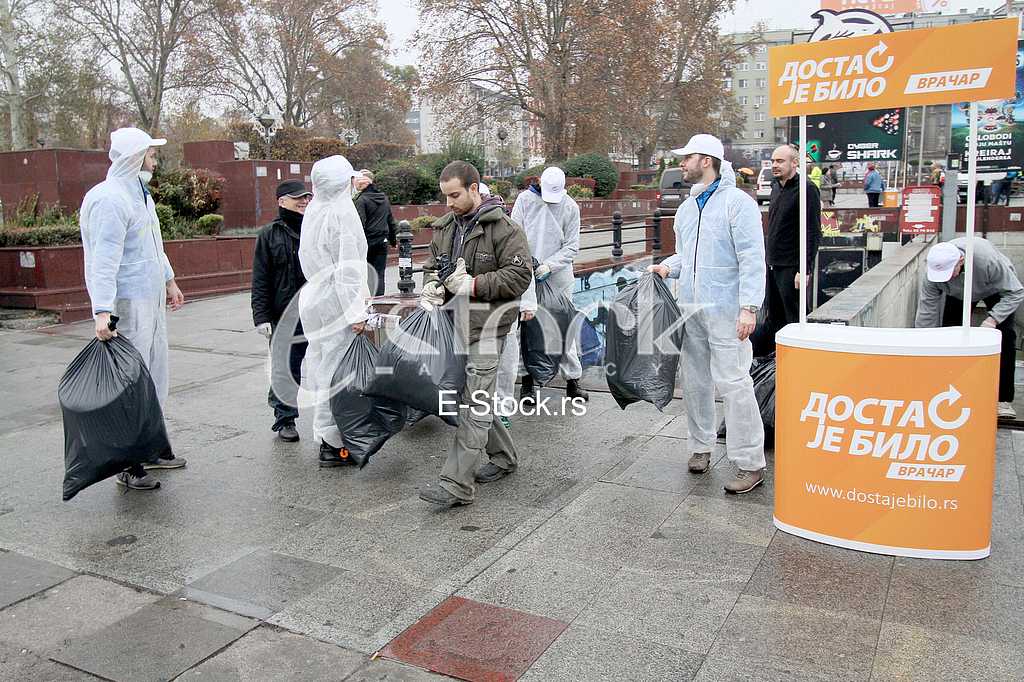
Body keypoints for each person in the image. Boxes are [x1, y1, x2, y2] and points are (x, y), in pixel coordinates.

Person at [647, 134, 767, 494]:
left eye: (687, 158)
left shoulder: (737, 204)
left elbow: (751, 258)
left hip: (728, 311)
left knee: (734, 383)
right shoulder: (687, 208)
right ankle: (701, 447)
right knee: (696, 382)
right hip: (692, 308)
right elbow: (687, 256)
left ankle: (751, 463)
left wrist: (749, 308)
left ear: (707, 160)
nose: (681, 164)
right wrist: (667, 267)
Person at [418, 161, 533, 508]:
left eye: (454, 195)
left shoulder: (505, 229)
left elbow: (520, 276)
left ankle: (456, 485)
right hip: (454, 326)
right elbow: (431, 265)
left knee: (474, 405)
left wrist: (475, 284)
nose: (448, 203)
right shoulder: (444, 228)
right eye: (445, 197)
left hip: (488, 327)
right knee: (472, 398)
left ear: (473, 189)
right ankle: (504, 457)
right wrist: (432, 286)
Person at [80, 127, 187, 490]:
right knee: (128, 383)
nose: (155, 162)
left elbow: (155, 245)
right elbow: (103, 261)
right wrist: (102, 310)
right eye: (150, 155)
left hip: (150, 298)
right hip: (127, 303)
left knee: (154, 373)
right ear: (134, 157)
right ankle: (127, 462)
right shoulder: (110, 199)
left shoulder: (140, 196)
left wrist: (169, 280)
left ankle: (151, 446)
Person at [495, 167, 587, 426]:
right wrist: (528, 264)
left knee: (563, 328)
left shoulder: (570, 207)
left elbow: (572, 246)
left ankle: (572, 380)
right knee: (527, 328)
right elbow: (516, 235)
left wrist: (549, 265)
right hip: (526, 272)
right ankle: (527, 383)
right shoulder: (525, 201)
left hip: (556, 276)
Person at [298, 156, 370, 467]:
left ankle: (329, 437)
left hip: (316, 295)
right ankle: (334, 444)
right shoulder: (342, 211)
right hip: (335, 300)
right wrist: (356, 311)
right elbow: (349, 269)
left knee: (324, 365)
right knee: (337, 372)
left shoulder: (315, 209)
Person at [916, 239, 1024, 419]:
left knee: (1004, 338)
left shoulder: (987, 261)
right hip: (958, 293)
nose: (946, 278)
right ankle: (950, 389)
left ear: (961, 261)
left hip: (994, 288)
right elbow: (927, 309)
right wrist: (923, 341)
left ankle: (1003, 400)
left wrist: (993, 319)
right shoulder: (933, 272)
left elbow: (1015, 292)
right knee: (950, 335)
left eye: (950, 273)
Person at [251, 179, 311, 442]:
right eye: (298, 198)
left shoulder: (314, 228)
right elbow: (260, 278)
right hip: (285, 315)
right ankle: (285, 419)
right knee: (285, 369)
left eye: (307, 197)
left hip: (316, 312)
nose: (304, 201)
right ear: (281, 201)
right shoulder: (269, 234)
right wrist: (261, 317)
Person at [766, 145, 822, 331]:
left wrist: (804, 268)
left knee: (795, 318)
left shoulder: (807, 189)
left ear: (795, 163)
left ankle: (799, 358)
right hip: (772, 263)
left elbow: (813, 231)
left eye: (780, 161)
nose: (775, 165)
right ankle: (779, 357)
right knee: (775, 317)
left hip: (791, 266)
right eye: (773, 161)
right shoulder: (776, 188)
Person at [354, 169, 397, 296]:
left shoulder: (362, 200)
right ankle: (379, 302)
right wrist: (393, 241)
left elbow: (360, 223)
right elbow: (391, 221)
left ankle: (368, 302)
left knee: (365, 273)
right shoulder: (383, 198)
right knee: (379, 274)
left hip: (367, 242)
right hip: (382, 241)